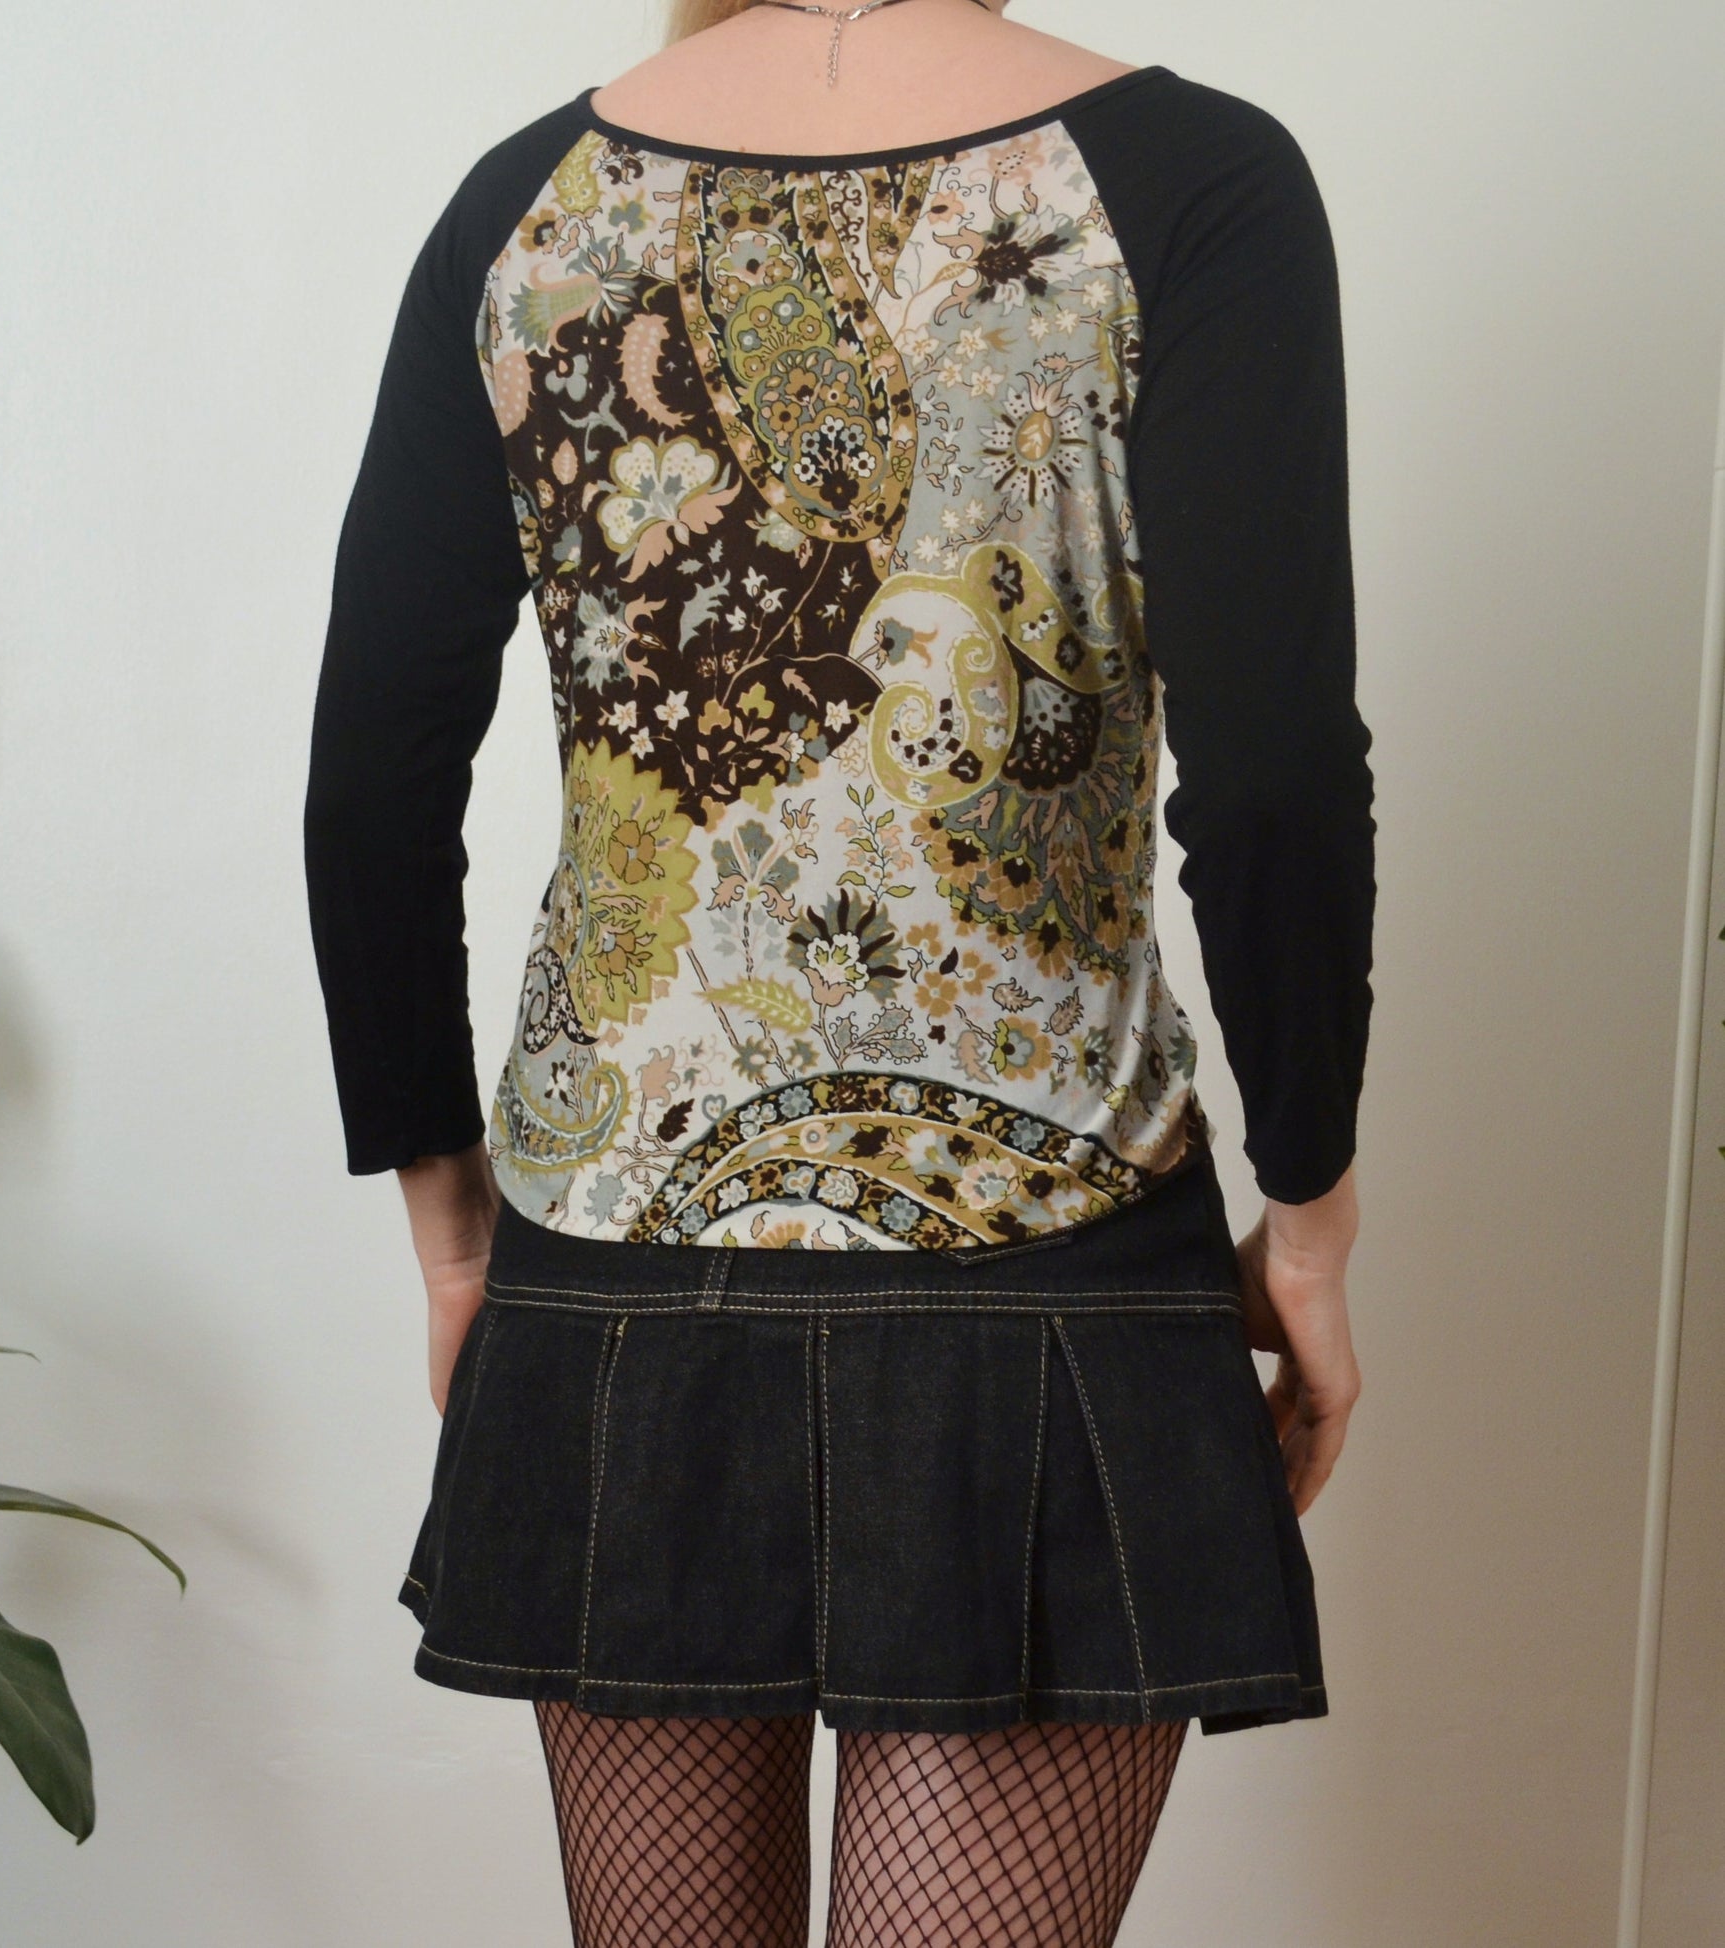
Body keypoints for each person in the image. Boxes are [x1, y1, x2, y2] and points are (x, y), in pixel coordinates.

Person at [304, 0, 1375, 1938]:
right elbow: (1277, 770)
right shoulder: (1196, 183)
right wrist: (1306, 1215)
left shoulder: (527, 211)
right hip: (1049, 1251)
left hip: (611, 1263)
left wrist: (456, 1236)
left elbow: (369, 773)